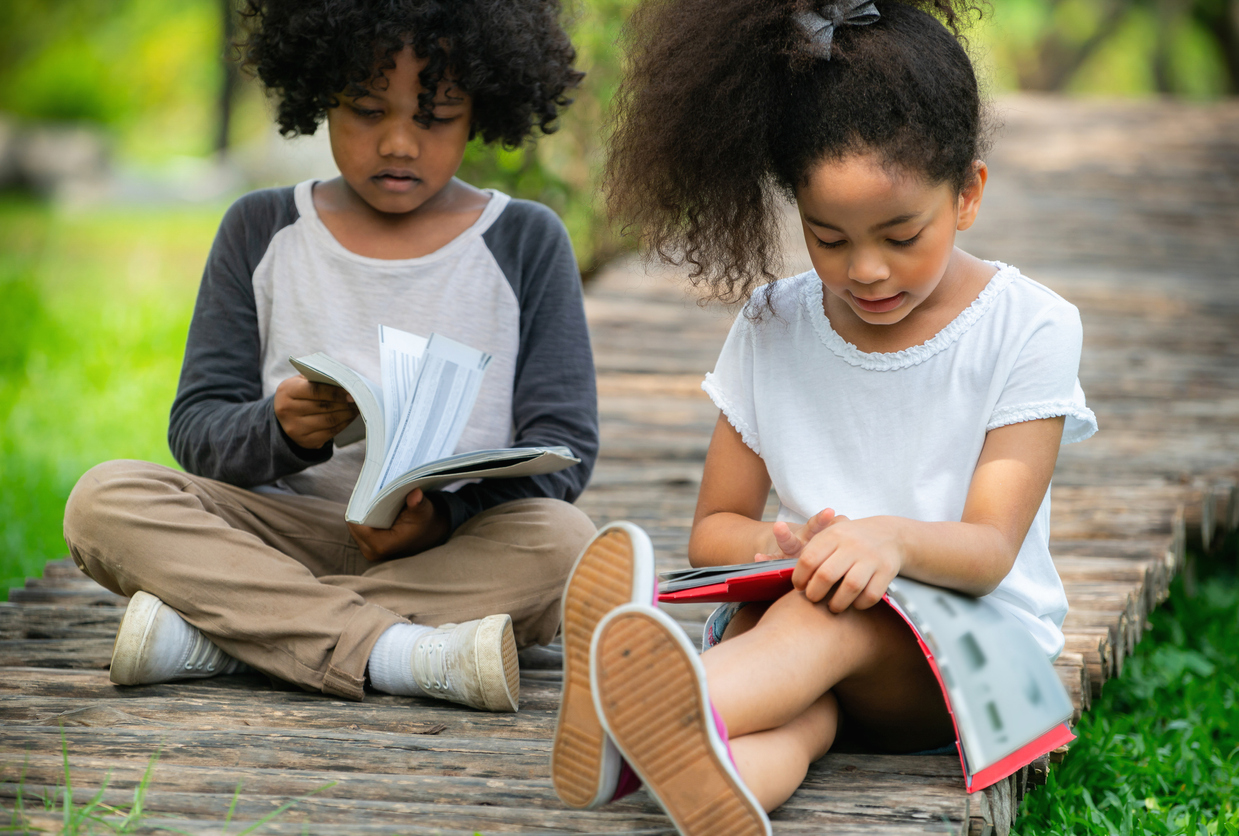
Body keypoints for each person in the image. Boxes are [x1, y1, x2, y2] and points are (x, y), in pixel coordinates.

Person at [551, 0, 1098, 831]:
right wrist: (784, 546)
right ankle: (701, 778)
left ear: (967, 195)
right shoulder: (775, 323)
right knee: (804, 710)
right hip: (808, 656)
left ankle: (634, 709)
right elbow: (716, 530)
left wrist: (889, 539)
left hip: (975, 663)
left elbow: (990, 551)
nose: (867, 269)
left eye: (899, 232)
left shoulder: (1029, 326)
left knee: (825, 616)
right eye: (827, 238)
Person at [62, 0, 598, 714]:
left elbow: (564, 447)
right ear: (319, 96)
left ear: (481, 110)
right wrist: (281, 430)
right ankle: (401, 651)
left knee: (564, 543)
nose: (400, 143)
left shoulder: (526, 239)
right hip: (270, 538)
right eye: (368, 111)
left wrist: (437, 521)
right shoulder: (260, 227)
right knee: (103, 499)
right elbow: (197, 430)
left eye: (434, 117)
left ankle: (225, 638)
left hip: (442, 549)